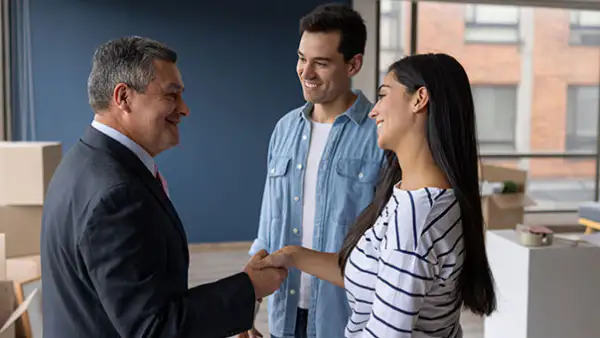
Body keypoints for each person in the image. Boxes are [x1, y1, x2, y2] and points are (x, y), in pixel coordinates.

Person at [40, 36, 287, 338]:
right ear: (124, 98)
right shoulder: (117, 194)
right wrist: (249, 287)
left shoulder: (80, 162)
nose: (185, 110)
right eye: (172, 96)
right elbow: (153, 328)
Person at [252, 53, 498, 337]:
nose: (373, 111)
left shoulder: (416, 220)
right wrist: (292, 256)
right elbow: (376, 275)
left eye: (383, 96)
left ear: (419, 99)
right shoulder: (411, 195)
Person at [243, 3, 384, 338]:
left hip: (348, 320)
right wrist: (248, 305)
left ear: (354, 64)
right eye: (302, 58)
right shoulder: (284, 129)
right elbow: (267, 227)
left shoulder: (379, 135)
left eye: (321, 63)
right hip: (286, 318)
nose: (306, 72)